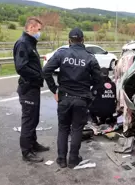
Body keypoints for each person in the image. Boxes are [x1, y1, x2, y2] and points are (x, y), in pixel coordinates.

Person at [42, 28, 101, 168]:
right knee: (77, 129)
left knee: (63, 128)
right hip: (81, 99)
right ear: (83, 40)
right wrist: (89, 90)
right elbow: (99, 80)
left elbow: (45, 70)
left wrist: (54, 89)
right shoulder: (90, 57)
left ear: (69, 41)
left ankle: (61, 159)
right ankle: (73, 159)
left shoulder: (62, 54)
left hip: (64, 97)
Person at [13, 17, 50, 163]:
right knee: (28, 120)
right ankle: (26, 151)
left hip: (33, 87)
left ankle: (33, 144)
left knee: (34, 118)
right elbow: (21, 67)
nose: (39, 33)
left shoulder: (30, 43)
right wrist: (39, 75)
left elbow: (29, 61)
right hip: (28, 87)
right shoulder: (23, 43)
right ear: (30, 28)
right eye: (38, 29)